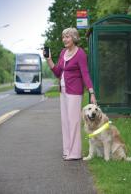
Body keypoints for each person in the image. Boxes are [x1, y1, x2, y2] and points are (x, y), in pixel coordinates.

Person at [43, 27, 96, 160]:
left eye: (67, 36)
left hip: (74, 92)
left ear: (74, 38)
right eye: (63, 37)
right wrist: (49, 60)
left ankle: (75, 153)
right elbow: (57, 73)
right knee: (65, 121)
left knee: (73, 121)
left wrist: (92, 92)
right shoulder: (62, 53)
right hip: (63, 90)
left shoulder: (80, 54)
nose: (65, 39)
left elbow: (85, 74)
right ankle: (67, 150)